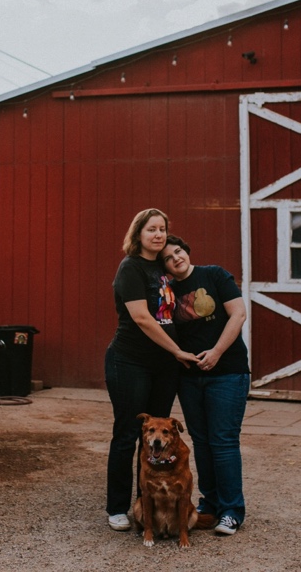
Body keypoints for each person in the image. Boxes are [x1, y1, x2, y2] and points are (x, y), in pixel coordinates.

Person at [105, 209, 197, 532]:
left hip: (163, 367)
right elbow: (144, 318)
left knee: (157, 437)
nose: (158, 235)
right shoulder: (130, 268)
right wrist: (177, 351)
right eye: (151, 229)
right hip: (131, 361)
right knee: (129, 433)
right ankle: (117, 507)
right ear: (138, 234)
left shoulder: (161, 268)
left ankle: (146, 502)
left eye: (162, 229)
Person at [162, 235, 250, 536]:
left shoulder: (214, 274)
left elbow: (238, 314)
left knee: (223, 441)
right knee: (201, 442)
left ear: (186, 250)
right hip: (190, 378)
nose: (176, 258)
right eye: (168, 258)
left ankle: (232, 511)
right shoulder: (168, 292)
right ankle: (209, 505)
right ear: (165, 267)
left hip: (227, 372)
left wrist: (217, 352)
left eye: (178, 251)